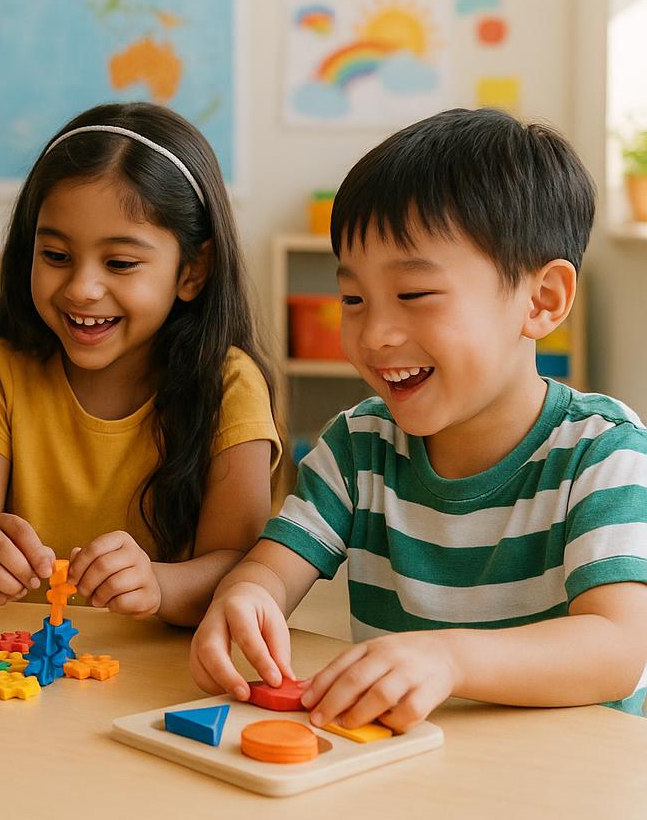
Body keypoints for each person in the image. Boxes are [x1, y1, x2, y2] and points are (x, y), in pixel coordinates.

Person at [191, 107, 647, 730]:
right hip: (407, 770)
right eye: (353, 299)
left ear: (542, 301)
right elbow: (271, 568)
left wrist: (451, 659)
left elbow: (618, 650)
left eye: (413, 295)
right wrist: (246, 597)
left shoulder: (603, 453)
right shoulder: (357, 448)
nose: (374, 334)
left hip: (563, 777)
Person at [0, 102, 280, 626]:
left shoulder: (230, 386)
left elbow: (241, 571)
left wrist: (158, 583)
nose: (82, 289)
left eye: (120, 263)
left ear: (193, 271)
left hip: (160, 679)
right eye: (56, 256)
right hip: (17, 677)